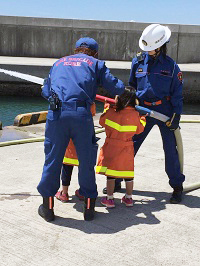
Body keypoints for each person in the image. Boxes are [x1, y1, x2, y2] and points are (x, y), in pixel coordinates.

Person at [37, 37, 125, 222]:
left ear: (76, 50)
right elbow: (116, 87)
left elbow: (46, 91)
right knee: (85, 161)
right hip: (81, 115)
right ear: (94, 52)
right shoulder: (96, 63)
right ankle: (89, 209)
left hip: (57, 114)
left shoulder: (59, 62)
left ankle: (48, 208)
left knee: (53, 159)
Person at [105, 24, 185, 204]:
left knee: (171, 150)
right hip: (141, 110)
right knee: (128, 144)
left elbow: (177, 94)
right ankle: (117, 180)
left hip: (165, 112)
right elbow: (131, 86)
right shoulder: (138, 62)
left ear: (161, 45)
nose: (149, 52)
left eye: (152, 48)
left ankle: (177, 187)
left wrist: (176, 116)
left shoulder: (172, 67)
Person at [96, 86, 146, 208]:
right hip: (127, 148)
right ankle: (129, 198)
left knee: (111, 175)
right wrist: (143, 118)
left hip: (111, 147)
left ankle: (109, 198)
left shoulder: (112, 112)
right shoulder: (135, 115)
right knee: (128, 174)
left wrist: (106, 108)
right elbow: (140, 129)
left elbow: (102, 122)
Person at [55, 103, 96, 202]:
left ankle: (64, 193)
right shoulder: (89, 103)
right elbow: (93, 113)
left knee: (66, 169)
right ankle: (83, 192)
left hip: (69, 144)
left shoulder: (66, 102)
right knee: (83, 170)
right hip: (83, 145)